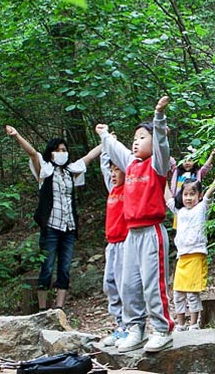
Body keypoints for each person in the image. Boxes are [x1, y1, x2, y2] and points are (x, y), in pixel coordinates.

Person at [96, 95, 174, 353]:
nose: (136, 141)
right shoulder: (130, 164)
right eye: (135, 138)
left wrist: (159, 118)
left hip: (152, 232)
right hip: (131, 234)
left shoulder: (157, 165)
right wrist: (105, 134)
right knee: (128, 284)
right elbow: (116, 148)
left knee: (153, 284)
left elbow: (162, 143)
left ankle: (162, 330)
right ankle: (136, 329)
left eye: (143, 137)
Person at [5, 126, 102, 311]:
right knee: (47, 267)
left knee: (64, 268)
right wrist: (17, 135)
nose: (61, 153)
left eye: (64, 150)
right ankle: (43, 308)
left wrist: (106, 140)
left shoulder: (70, 171)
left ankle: (59, 308)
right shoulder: (45, 171)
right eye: (57, 150)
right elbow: (33, 153)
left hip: (69, 227)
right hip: (50, 226)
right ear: (50, 153)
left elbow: (89, 157)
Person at [168, 179, 215, 331]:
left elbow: (209, 194)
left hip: (196, 255)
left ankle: (193, 324)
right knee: (178, 293)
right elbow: (168, 199)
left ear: (199, 195)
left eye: (192, 194)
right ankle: (181, 324)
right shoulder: (180, 211)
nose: (188, 198)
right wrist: (162, 178)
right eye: (185, 194)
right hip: (182, 257)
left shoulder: (202, 208)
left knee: (192, 292)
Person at [94, 133, 129, 347]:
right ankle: (119, 325)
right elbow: (103, 166)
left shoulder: (130, 188)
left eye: (118, 169)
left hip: (126, 242)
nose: (113, 173)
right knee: (110, 284)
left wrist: (114, 144)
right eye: (112, 169)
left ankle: (129, 327)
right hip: (112, 243)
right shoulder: (113, 189)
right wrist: (105, 144)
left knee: (126, 286)